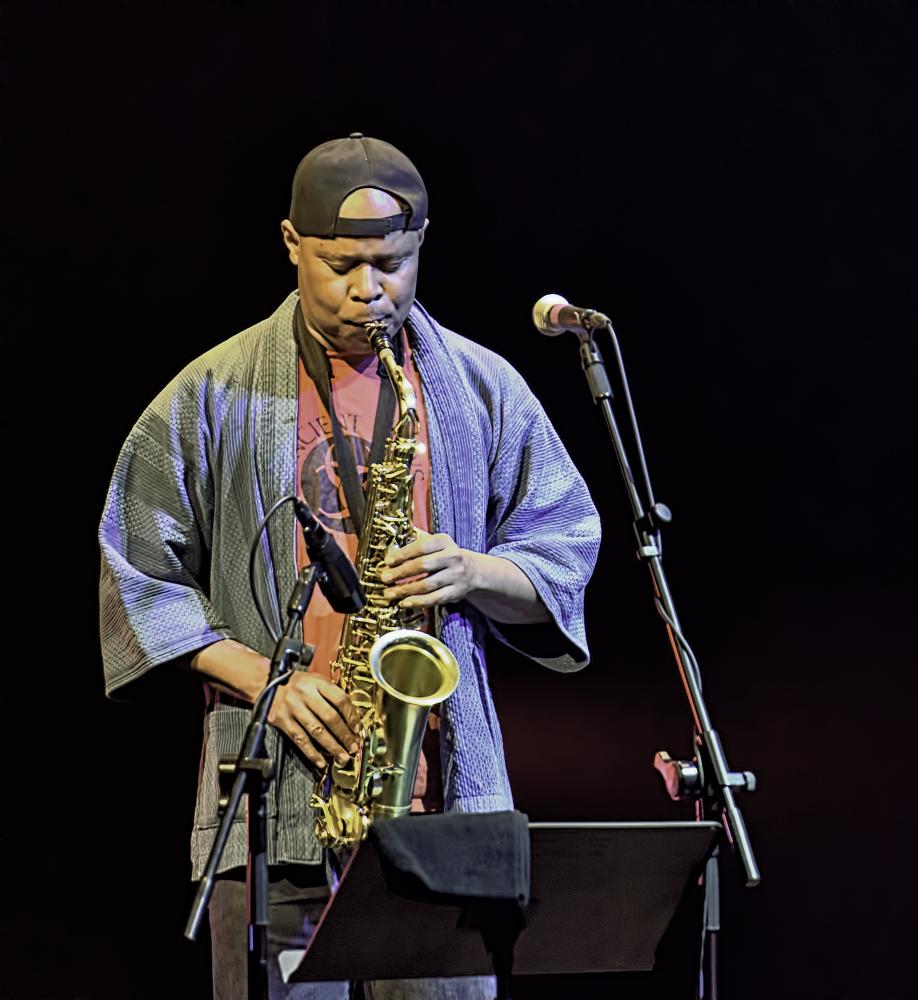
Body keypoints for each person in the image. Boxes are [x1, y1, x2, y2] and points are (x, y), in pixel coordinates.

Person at [98, 133, 602, 999]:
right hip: (276, 808)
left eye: (392, 263)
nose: (368, 289)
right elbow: (136, 576)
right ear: (292, 245)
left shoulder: (482, 386)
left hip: (443, 808)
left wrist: (474, 572)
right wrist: (268, 681)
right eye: (340, 265)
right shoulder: (211, 391)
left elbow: (563, 557)